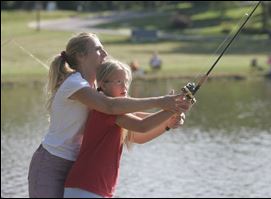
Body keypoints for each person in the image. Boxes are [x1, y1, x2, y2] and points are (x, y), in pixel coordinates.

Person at [27, 32, 191, 198]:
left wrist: (169, 119)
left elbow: (135, 130)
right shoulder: (75, 83)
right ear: (81, 56)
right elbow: (111, 107)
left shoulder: (96, 92)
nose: (105, 54)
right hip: (51, 164)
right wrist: (162, 102)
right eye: (98, 49)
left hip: (76, 167)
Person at [64, 59, 188, 198]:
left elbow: (138, 136)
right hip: (86, 188)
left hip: (93, 189)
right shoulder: (105, 109)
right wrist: (172, 110)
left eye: (126, 81)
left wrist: (168, 122)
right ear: (103, 84)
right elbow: (142, 126)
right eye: (118, 82)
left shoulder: (116, 111)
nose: (124, 86)